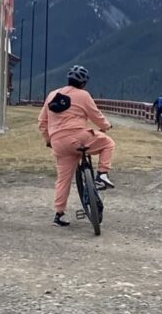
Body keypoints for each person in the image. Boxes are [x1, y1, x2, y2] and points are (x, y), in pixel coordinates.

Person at [39, 65, 116, 227]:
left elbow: (42, 122)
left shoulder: (52, 95)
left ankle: (59, 215)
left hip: (58, 142)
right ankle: (101, 175)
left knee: (63, 179)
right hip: (78, 137)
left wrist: (48, 140)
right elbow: (96, 115)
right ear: (84, 83)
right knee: (108, 143)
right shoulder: (83, 95)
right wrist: (106, 126)